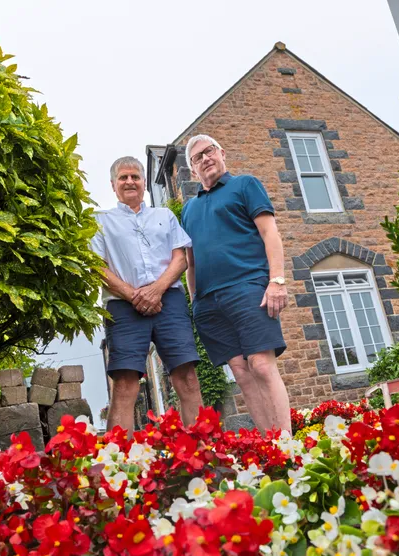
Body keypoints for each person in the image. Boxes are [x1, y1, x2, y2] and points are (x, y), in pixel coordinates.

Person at [180, 134, 291, 433]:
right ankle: (270, 448)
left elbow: (270, 233)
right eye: (197, 157)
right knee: (241, 374)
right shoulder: (188, 210)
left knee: (262, 366)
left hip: (248, 287)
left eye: (209, 151)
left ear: (222, 153)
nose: (205, 159)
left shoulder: (245, 185)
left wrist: (277, 281)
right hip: (209, 302)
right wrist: (195, 303)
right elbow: (190, 262)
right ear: (192, 170)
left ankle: (289, 446)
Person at [91, 156, 203, 431]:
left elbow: (180, 259)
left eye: (135, 177)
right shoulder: (100, 221)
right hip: (122, 306)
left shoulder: (164, 215)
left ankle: (206, 452)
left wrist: (155, 290)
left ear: (143, 183)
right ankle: (119, 464)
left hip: (170, 301)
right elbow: (97, 268)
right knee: (125, 383)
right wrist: (135, 295)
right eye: (123, 177)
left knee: (186, 377)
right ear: (113, 185)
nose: (130, 181)